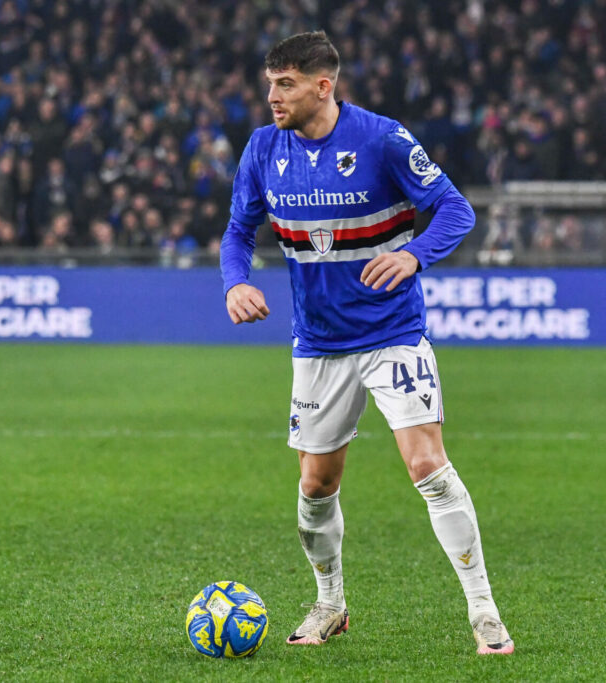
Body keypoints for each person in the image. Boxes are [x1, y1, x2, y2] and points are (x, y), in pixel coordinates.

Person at [219, 31, 514, 656]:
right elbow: (238, 230)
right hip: (319, 343)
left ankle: (484, 611)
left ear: (323, 86)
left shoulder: (382, 139)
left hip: (392, 333)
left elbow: (456, 210)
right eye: (270, 84)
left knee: (427, 466)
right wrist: (235, 282)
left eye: (286, 84)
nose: (272, 97)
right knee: (315, 485)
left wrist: (414, 255)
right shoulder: (263, 147)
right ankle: (330, 603)